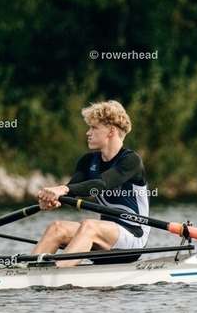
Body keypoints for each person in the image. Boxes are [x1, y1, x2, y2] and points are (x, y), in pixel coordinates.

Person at [31, 100, 150, 267]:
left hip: (133, 238)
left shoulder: (131, 160)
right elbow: (72, 191)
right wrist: (53, 199)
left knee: (89, 226)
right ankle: (26, 271)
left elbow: (102, 183)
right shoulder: (87, 160)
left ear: (111, 131)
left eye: (94, 128)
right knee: (56, 228)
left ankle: (56, 271)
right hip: (103, 238)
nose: (88, 133)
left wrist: (62, 189)